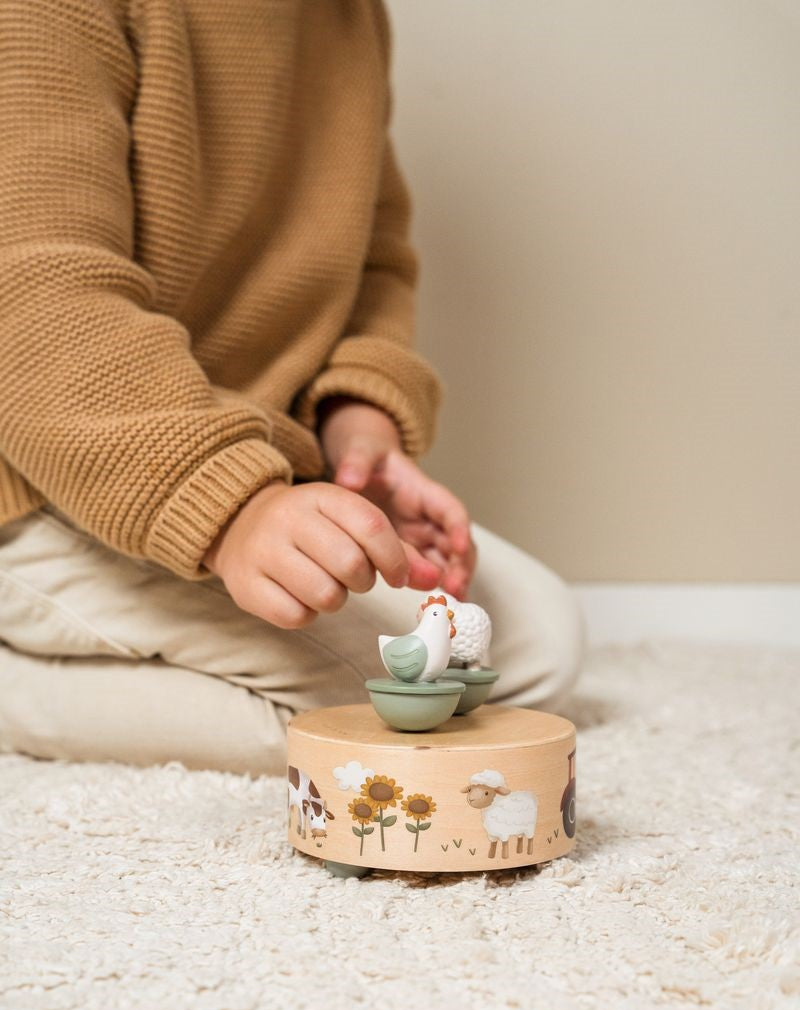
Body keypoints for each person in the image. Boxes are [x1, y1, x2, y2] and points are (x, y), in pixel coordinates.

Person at [0, 0, 584, 775]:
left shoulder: (346, 19)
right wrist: (232, 508)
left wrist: (356, 421)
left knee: (539, 638)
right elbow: (37, 297)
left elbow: (370, 255)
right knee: (379, 708)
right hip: (48, 480)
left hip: (237, 460)